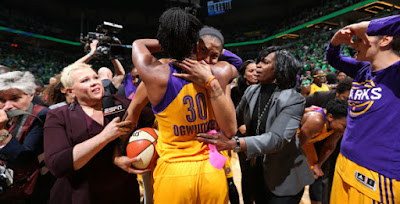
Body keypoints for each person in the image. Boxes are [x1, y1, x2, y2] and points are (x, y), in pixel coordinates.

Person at [130, 7, 237, 203]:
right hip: (211, 170)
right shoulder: (221, 71)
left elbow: (139, 43)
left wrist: (174, 41)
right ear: (196, 43)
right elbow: (234, 62)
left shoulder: (154, 74)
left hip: (173, 172)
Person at [196, 46, 314, 203]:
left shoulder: (293, 99)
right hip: (257, 170)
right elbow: (234, 119)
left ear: (280, 68)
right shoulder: (252, 91)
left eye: (264, 62)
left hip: (283, 176)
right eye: (259, 61)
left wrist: (234, 143)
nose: (258, 65)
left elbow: (277, 139)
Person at [326, 15, 400, 204]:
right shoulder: (362, 70)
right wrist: (336, 41)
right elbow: (333, 57)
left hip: (378, 173)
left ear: (385, 40)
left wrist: (361, 26)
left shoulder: (396, 74)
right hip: (344, 161)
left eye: (360, 39)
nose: (353, 44)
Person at [43, 63, 140, 204]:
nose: (94, 82)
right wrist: (104, 137)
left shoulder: (120, 103)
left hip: (123, 192)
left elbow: (154, 120)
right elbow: (58, 165)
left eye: (95, 77)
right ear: (71, 92)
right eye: (85, 80)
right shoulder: (58, 115)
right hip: (80, 195)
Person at [0, 71, 51, 203]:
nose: (7, 106)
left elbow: (24, 160)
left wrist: (2, 131)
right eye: (1, 100)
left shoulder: (42, 115)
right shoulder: (7, 114)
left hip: (28, 191)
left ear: (31, 95)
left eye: (15, 99)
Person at [297, 99, 348, 204]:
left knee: (316, 178)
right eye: (344, 126)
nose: (344, 131)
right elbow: (296, 146)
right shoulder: (316, 121)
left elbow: (329, 146)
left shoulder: (337, 128)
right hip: (291, 146)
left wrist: (317, 165)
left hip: (306, 146)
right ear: (330, 117)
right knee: (295, 185)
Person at [230, 59, 263, 204]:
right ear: (243, 75)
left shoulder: (265, 89)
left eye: (257, 70)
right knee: (247, 173)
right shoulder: (235, 92)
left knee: (261, 174)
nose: (255, 73)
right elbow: (230, 113)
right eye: (251, 71)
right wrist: (238, 126)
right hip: (243, 137)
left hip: (262, 136)